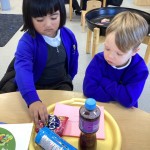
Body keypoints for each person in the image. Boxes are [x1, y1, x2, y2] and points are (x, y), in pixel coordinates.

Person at [14, 0, 79, 126]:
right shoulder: (27, 42)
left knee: (66, 123)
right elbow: (23, 71)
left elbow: (73, 61)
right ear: (29, 19)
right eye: (39, 19)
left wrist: (69, 78)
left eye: (54, 17)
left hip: (61, 84)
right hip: (36, 87)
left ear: (61, 14)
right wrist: (32, 99)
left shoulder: (68, 35)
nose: (48, 24)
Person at [83, 11, 149, 108]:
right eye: (107, 48)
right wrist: (119, 95)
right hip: (99, 107)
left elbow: (129, 99)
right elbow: (88, 89)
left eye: (119, 53)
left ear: (134, 51)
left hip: (125, 113)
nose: (109, 56)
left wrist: (104, 81)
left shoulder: (139, 70)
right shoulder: (99, 60)